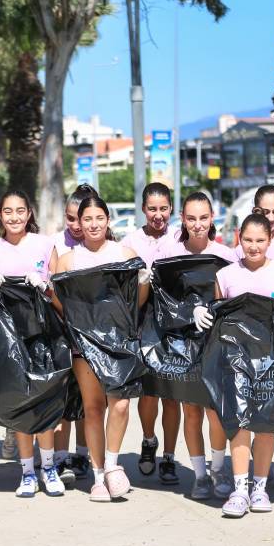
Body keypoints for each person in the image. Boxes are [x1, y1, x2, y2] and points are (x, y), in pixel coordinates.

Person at [194, 213, 274, 517]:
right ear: (238, 240)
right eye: (248, 240)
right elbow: (216, 317)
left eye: (260, 240)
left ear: (270, 240)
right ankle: (239, 489)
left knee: (266, 424)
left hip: (273, 362)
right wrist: (201, 313)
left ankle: (260, 487)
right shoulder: (226, 276)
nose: (253, 247)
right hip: (234, 361)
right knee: (239, 423)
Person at [49, 195, 150, 502]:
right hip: (83, 345)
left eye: (99, 218)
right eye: (87, 219)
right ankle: (97, 478)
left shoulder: (125, 253)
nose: (93, 224)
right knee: (93, 409)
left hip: (119, 341)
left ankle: (113, 466)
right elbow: (58, 301)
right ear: (79, 223)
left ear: (108, 221)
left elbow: (138, 302)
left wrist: (143, 282)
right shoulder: (69, 260)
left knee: (120, 404)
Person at [0, 190, 65, 498]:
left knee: (43, 401)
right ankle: (27, 471)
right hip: (8, 339)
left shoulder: (45, 245)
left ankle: (49, 468)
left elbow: (59, 297)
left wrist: (44, 286)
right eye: (8, 211)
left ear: (29, 213)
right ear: (0, 214)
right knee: (18, 404)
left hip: (43, 335)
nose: (14, 217)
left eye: (20, 210)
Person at [159, 192, 236, 498]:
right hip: (183, 344)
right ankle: (200, 475)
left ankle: (218, 469)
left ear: (212, 218)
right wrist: (187, 312)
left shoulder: (227, 254)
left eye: (203, 218)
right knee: (191, 411)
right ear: (183, 219)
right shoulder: (169, 251)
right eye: (191, 218)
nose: (198, 224)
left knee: (216, 411)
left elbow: (234, 298)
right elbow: (161, 300)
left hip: (219, 344)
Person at [121, 183, 181, 481]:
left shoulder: (180, 237)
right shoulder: (130, 240)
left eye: (163, 209)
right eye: (152, 209)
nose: (158, 215)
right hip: (143, 321)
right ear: (143, 210)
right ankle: (148, 440)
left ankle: (169, 456)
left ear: (171, 208)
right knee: (148, 392)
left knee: (172, 394)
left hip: (177, 324)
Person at [238, 184, 274, 491]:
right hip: (246, 342)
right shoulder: (243, 246)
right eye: (264, 212)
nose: (270, 218)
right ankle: (248, 467)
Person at [48, 183, 100, 482]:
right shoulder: (54, 243)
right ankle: (59, 455)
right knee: (63, 395)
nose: (76, 225)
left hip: (93, 331)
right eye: (69, 218)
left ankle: (82, 454)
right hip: (61, 326)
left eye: (79, 218)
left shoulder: (102, 240)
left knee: (87, 398)